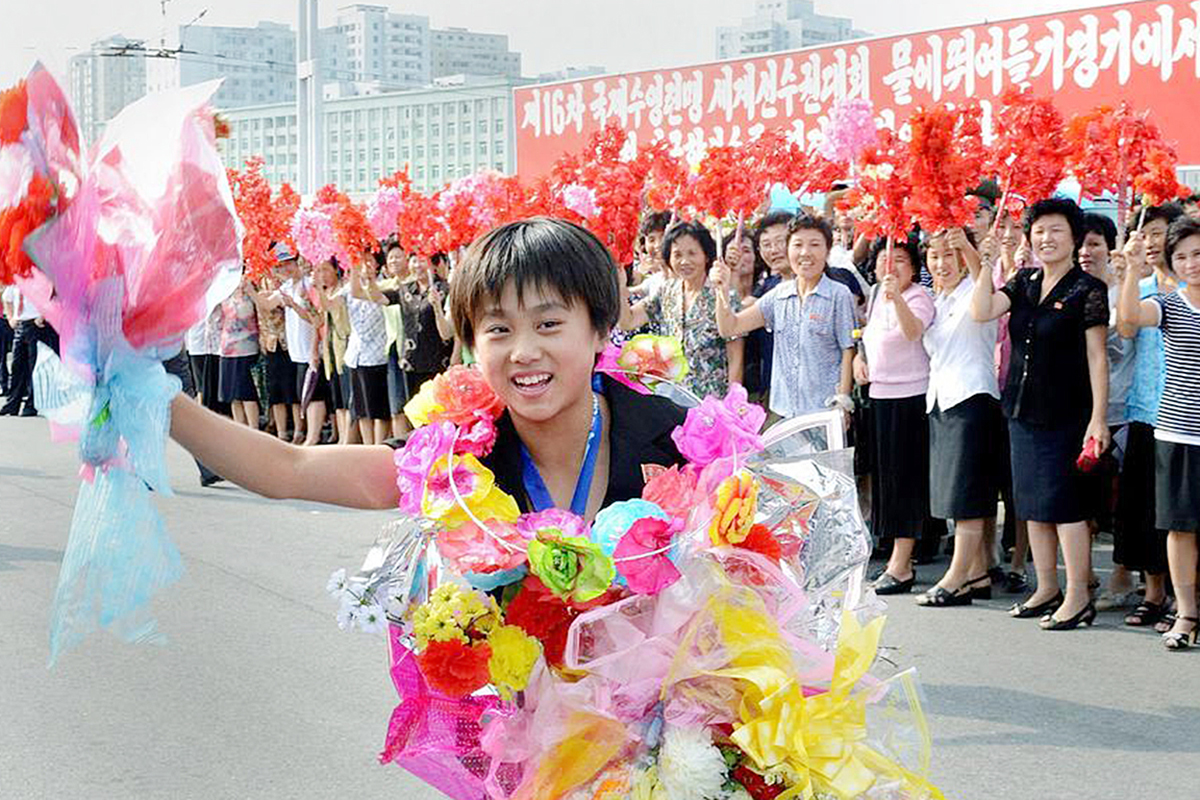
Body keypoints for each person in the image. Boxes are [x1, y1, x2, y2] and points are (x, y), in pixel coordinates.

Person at [168, 217, 686, 522]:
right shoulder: (455, 456)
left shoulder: (676, 438)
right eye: (498, 330)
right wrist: (157, 398)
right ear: (470, 344)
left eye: (548, 324)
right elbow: (289, 470)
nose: (524, 351)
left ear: (599, 330)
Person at [973, 197, 1110, 631]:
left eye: (1056, 230)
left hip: (1068, 412)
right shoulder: (1024, 280)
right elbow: (981, 311)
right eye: (1039, 230)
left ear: (1072, 239)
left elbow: (1097, 357)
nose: (1046, 238)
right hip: (1020, 408)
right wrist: (984, 264)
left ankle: (1078, 596)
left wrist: (1099, 418)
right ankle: (1046, 587)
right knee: (1032, 503)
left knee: (1066, 506)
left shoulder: (1088, 289)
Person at [1118, 215, 1200, 650]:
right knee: (1179, 527)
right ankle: (1185, 613)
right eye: (1182, 256)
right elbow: (1128, 321)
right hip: (1178, 433)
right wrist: (1132, 269)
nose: (1191, 264)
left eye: (1198, 254)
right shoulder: (1169, 303)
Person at [917, 228, 1002, 605]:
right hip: (940, 399)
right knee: (955, 492)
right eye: (934, 257)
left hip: (973, 397)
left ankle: (955, 579)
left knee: (967, 494)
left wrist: (969, 249)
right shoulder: (939, 298)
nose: (941, 264)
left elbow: (982, 275)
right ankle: (977, 572)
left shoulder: (978, 287)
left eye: (948, 256)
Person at [852, 235, 936, 594]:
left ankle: (903, 564)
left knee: (905, 481)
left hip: (910, 396)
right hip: (880, 395)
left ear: (914, 267)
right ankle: (893, 559)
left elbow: (913, 331)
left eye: (900, 260)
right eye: (885, 259)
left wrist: (897, 297)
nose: (891, 266)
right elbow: (869, 339)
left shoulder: (919, 296)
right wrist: (860, 359)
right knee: (885, 479)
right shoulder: (874, 294)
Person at [713, 214, 856, 422]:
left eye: (815, 244)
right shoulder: (777, 296)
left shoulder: (838, 294)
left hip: (824, 412)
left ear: (827, 250)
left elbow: (847, 349)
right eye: (797, 245)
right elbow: (730, 327)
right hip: (783, 411)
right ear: (789, 250)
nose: (805, 252)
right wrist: (722, 290)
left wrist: (842, 403)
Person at [1078, 212, 1140, 610]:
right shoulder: (1072, 290)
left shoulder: (1124, 292)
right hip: (1080, 409)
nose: (1086, 252)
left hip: (1122, 409)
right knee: (1084, 499)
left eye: (1095, 243)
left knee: (1122, 501)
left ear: (1111, 247)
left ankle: (1122, 575)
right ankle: (1082, 577)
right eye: (1081, 243)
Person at [620, 220, 744, 399]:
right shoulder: (666, 291)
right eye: (677, 254)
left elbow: (736, 358)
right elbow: (628, 321)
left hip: (710, 401)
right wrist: (620, 285)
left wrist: (732, 403)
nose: (684, 261)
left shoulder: (724, 295)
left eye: (692, 253)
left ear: (706, 256)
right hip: (671, 395)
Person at [342, 254, 392, 446]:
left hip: (377, 355)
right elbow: (330, 304)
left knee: (378, 410)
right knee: (361, 410)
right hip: (355, 355)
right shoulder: (349, 287)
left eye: (369, 261)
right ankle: (368, 446)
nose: (365, 265)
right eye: (360, 261)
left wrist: (367, 278)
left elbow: (362, 293)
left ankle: (379, 447)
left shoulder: (385, 285)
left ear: (378, 265)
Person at [394, 252, 454, 403]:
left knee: (438, 409)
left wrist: (436, 306)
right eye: (414, 261)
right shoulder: (405, 289)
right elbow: (375, 297)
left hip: (437, 361)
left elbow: (451, 329)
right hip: (412, 361)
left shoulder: (446, 288)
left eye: (422, 261)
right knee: (416, 412)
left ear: (433, 265)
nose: (417, 265)